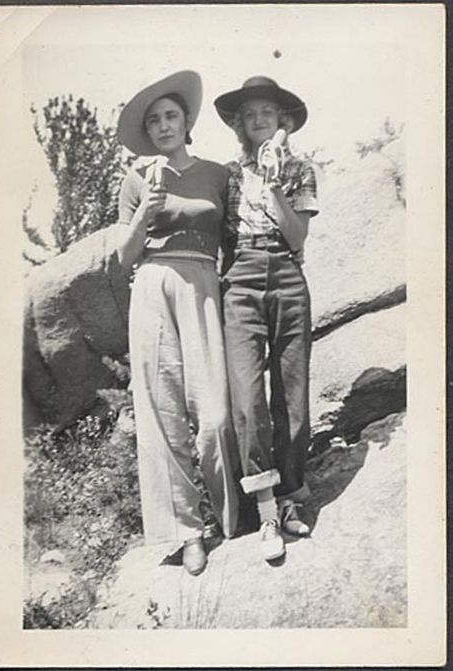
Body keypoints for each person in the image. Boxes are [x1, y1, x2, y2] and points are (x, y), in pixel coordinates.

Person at [116, 70, 238, 576]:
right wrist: (146, 206)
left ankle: (236, 519)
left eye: (171, 115)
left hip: (204, 283)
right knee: (162, 414)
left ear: (187, 121)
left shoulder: (218, 173)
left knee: (215, 415)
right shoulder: (135, 179)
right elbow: (124, 256)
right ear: (147, 132)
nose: (164, 125)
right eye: (154, 120)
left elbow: (235, 242)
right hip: (151, 284)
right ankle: (187, 533)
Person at [214, 76, 319, 562]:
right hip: (241, 275)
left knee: (293, 395)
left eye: (268, 113)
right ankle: (266, 509)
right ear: (240, 123)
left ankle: (292, 490)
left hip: (287, 273)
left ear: (283, 121)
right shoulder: (227, 175)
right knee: (248, 398)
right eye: (250, 113)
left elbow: (298, 237)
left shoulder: (301, 170)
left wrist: (275, 187)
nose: (259, 119)